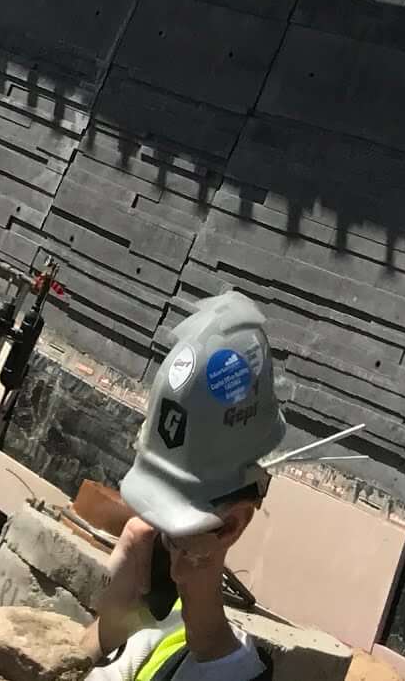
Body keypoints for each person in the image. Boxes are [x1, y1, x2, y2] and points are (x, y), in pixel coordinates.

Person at [94, 291, 293, 681]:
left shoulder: (233, 675)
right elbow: (79, 664)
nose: (159, 537)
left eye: (173, 527)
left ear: (231, 525)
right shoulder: (157, 637)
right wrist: (111, 620)